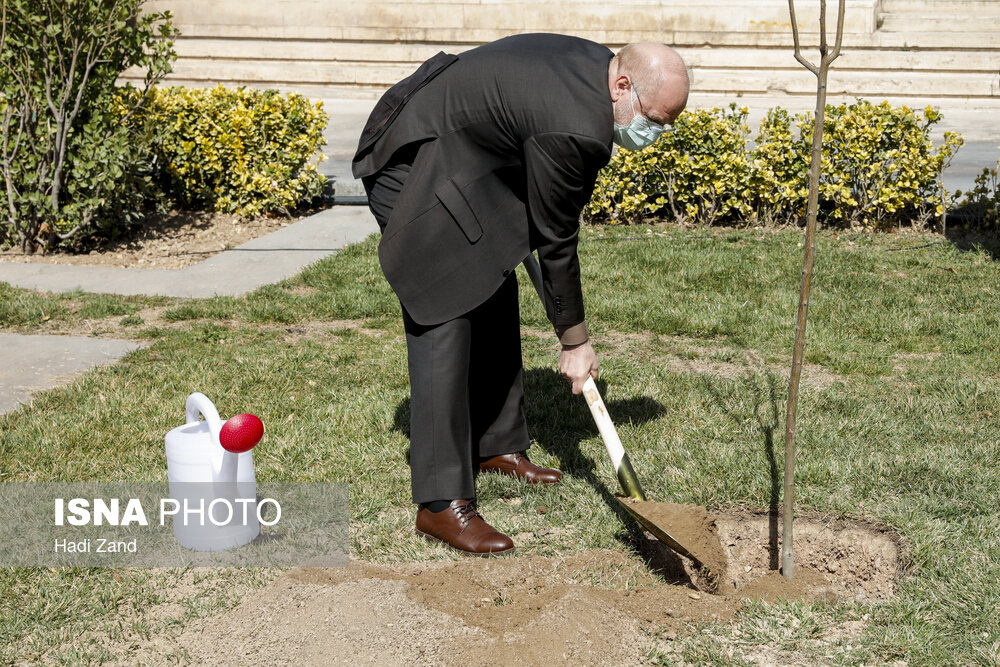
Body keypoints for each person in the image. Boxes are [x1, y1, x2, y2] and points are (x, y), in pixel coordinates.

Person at [353, 33, 689, 556]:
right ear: (622, 85)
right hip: (410, 157)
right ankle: (441, 504)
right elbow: (557, 239)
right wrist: (575, 341)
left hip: (465, 158)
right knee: (445, 298)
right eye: (657, 119)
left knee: (490, 271)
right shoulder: (577, 125)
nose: (659, 132)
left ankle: (496, 445)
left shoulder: (596, 71)